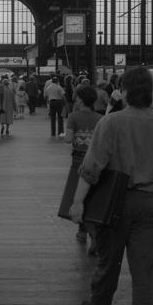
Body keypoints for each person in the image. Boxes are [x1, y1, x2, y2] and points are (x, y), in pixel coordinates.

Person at [70, 67, 153, 305]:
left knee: (108, 263)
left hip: (113, 205)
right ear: (151, 94)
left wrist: (78, 201)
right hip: (148, 205)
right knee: (145, 272)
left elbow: (91, 168)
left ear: (123, 92)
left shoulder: (110, 122)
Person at [63, 85, 102, 252]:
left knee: (79, 195)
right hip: (96, 161)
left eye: (77, 98)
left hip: (79, 159)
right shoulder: (101, 118)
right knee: (93, 195)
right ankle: (94, 234)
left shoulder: (73, 117)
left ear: (80, 99)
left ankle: (82, 230)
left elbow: (68, 139)